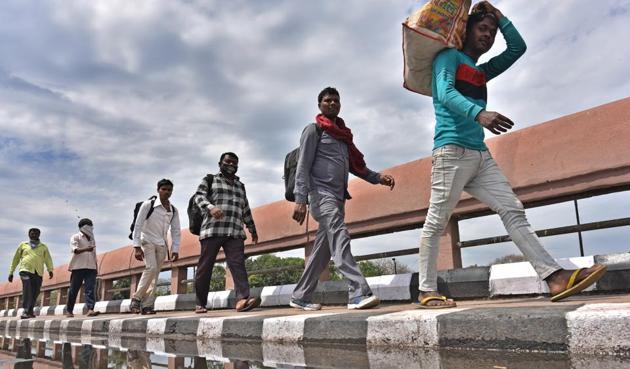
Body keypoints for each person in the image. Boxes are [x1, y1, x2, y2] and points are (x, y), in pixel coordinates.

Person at [417, 1, 606, 308]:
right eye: (482, 28)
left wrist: (500, 16)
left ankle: (554, 277)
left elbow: (518, 48)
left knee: (512, 209)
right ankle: (426, 290)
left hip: (480, 155)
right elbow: (444, 93)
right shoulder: (448, 57)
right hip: (451, 152)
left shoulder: (480, 71)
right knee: (437, 221)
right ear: (467, 30)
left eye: (492, 32)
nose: (488, 36)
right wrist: (479, 114)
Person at [290, 87, 396, 311]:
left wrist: (378, 178)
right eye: (327, 100)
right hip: (320, 195)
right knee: (340, 236)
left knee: (323, 250)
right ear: (319, 105)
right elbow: (303, 166)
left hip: (338, 198)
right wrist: (301, 199)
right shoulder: (313, 130)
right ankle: (358, 292)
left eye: (336, 101)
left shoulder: (343, 137)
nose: (332, 104)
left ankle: (300, 295)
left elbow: (357, 167)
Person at [193, 152, 261, 313]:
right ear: (220, 163)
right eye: (228, 162)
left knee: (238, 265)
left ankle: (242, 300)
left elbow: (245, 208)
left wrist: (252, 229)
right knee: (205, 267)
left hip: (235, 231)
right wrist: (211, 208)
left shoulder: (240, 185)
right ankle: (200, 303)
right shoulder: (210, 180)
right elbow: (199, 197)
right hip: (212, 230)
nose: (231, 165)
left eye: (234, 163)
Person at [130, 179, 181, 314]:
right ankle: (136, 298)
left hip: (161, 244)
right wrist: (136, 246)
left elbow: (176, 230)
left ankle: (147, 305)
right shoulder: (148, 205)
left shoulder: (173, 210)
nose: (166, 192)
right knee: (151, 268)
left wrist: (175, 249)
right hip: (146, 240)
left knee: (155, 274)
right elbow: (138, 224)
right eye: (164, 189)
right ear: (158, 190)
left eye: (169, 190)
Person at [8, 228, 54, 319]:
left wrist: (50, 270)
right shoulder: (23, 245)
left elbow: (48, 259)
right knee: (27, 289)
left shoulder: (43, 247)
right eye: (31, 233)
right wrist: (11, 272)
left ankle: (30, 311)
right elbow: (16, 259)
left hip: (38, 272)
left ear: (39, 235)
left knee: (35, 292)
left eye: (35, 233)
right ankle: (25, 311)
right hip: (25, 270)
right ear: (29, 234)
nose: (33, 235)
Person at [65, 218, 99, 317]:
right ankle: (69, 310)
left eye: (91, 225)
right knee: (73, 289)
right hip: (78, 267)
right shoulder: (76, 237)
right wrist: (86, 249)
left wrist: (96, 267)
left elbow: (94, 254)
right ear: (82, 227)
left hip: (91, 267)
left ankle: (90, 309)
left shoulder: (92, 239)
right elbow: (74, 250)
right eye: (89, 225)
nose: (91, 228)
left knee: (90, 289)